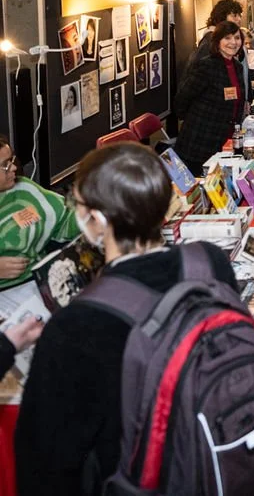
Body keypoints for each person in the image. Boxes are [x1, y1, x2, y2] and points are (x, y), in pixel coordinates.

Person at [15, 143, 239, 495]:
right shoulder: (211, 263)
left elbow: (46, 463)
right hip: (216, 458)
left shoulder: (75, 327)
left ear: (99, 220)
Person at [0, 135, 78, 288]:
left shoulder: (23, 188)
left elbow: (64, 218)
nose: (14, 167)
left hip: (38, 281)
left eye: (12, 160)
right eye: (5, 165)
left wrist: (95, 214)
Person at [174, 21, 250, 175]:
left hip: (226, 140)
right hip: (200, 140)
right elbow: (182, 98)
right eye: (227, 38)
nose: (233, 43)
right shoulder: (206, 66)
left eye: (236, 38)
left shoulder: (237, 67)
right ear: (218, 42)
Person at [188, 0, 243, 70]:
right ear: (221, 17)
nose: (239, 19)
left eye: (240, 15)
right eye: (234, 16)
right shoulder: (211, 40)